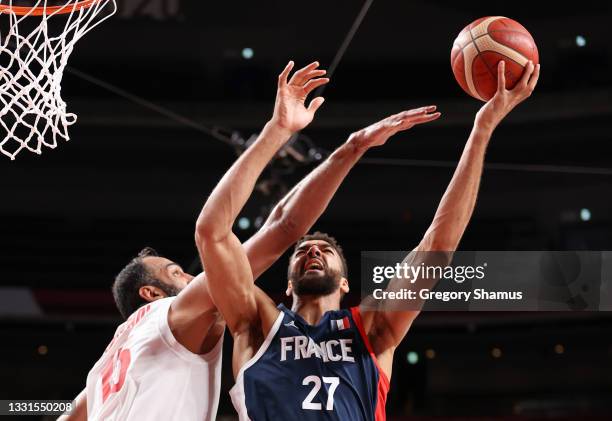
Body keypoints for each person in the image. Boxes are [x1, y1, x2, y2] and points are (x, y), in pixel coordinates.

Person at [198, 60, 540, 420]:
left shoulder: (372, 327)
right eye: (303, 251)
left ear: (346, 283)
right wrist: (281, 131)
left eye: (325, 250)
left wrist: (482, 130)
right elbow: (213, 234)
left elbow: (436, 247)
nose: (313, 250)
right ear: (286, 282)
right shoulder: (258, 323)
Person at [59, 60, 361, 421]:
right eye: (178, 275)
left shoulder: (106, 365)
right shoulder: (171, 314)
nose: (194, 278)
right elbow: (283, 228)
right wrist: (280, 131)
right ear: (151, 294)